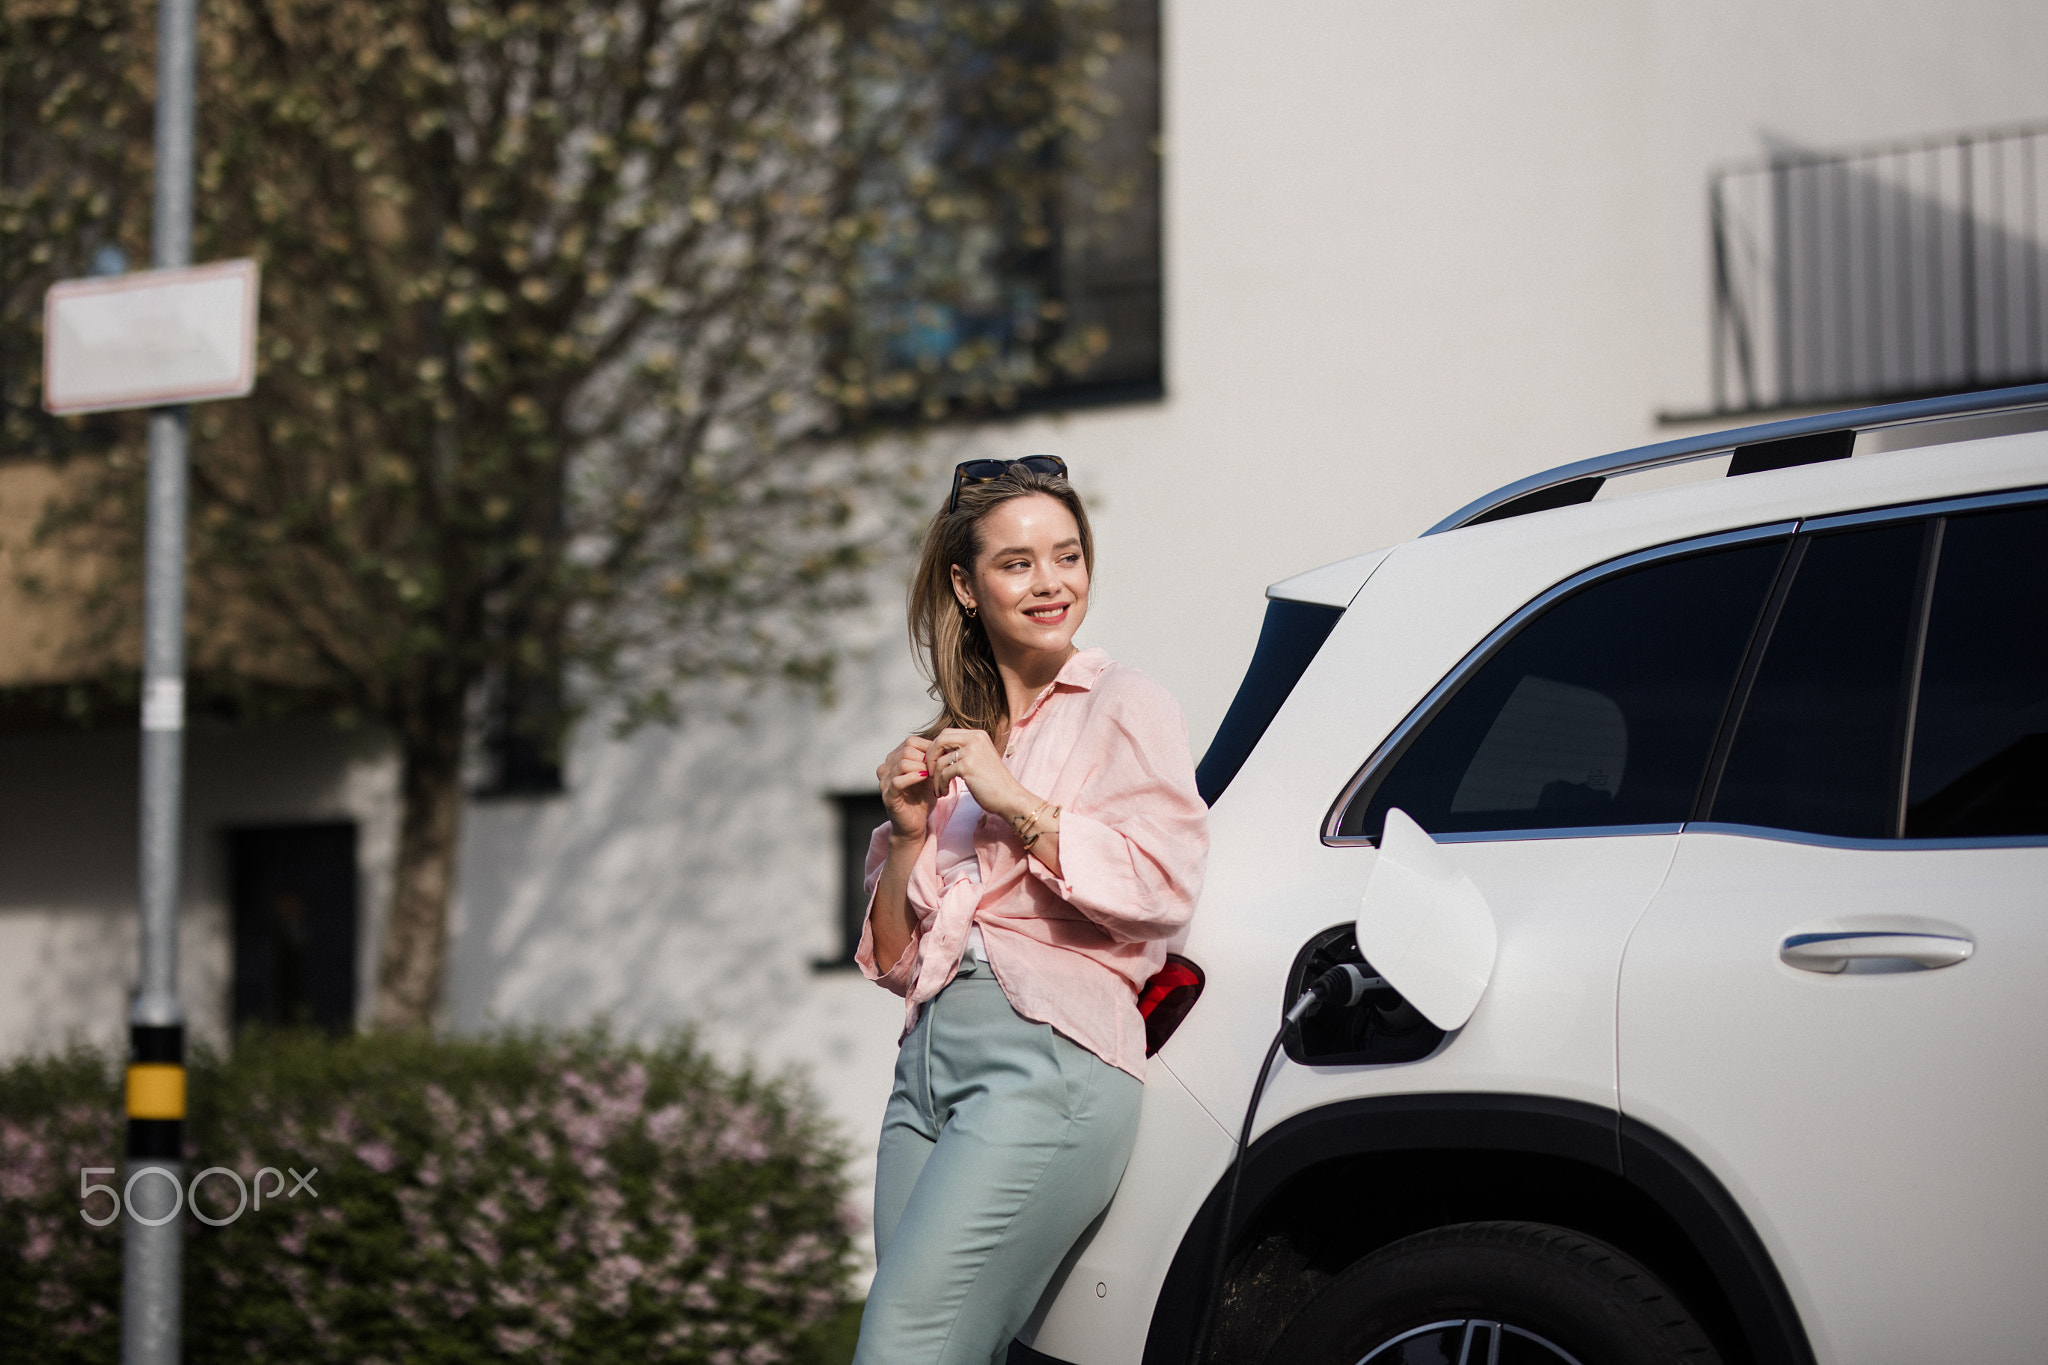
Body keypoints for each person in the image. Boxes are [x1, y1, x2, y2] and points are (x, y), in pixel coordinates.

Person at [852, 456, 1209, 1365]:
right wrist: (903, 837)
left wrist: (1016, 799)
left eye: (1068, 555)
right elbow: (896, 962)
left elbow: (1162, 887)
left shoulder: (1125, 703)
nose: (1051, 582)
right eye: (1017, 563)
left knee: (906, 1346)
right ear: (966, 586)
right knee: (937, 1344)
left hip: (1043, 1059)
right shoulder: (949, 746)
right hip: (923, 1075)